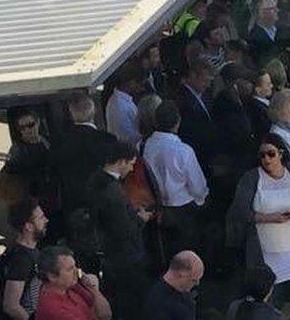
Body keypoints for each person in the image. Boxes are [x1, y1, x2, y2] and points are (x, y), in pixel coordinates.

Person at [225, 134, 290, 320]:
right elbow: (239, 211)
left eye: (271, 154)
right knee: (268, 310)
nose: (266, 159)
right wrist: (268, 218)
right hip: (267, 257)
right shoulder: (252, 178)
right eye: (262, 155)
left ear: (281, 154)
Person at [86, 142, 152, 320]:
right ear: (121, 161)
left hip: (108, 251)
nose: (131, 169)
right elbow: (124, 229)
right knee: (130, 300)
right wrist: (140, 219)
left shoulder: (95, 179)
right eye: (130, 163)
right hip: (124, 255)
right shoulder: (112, 191)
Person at [143, 101, 209, 261]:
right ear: (177, 122)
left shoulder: (146, 145)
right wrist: (201, 200)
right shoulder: (183, 151)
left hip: (158, 208)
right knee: (188, 256)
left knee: (168, 256)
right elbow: (198, 187)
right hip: (184, 211)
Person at [55, 94, 117, 217]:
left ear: (71, 113)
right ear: (94, 111)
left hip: (74, 205)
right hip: (103, 202)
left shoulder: (59, 142)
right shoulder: (107, 140)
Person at [34, 246, 111, 320]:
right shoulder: (54, 309)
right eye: (70, 269)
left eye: (75, 266)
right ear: (52, 276)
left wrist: (93, 289)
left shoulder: (71, 286)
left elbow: (105, 315)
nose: (77, 271)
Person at [2, 199, 47, 320]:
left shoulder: (30, 251)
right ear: (28, 227)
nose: (46, 220)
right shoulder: (21, 260)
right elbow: (11, 306)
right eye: (41, 218)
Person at [173, 59, 216, 167]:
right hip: (192, 154)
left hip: (206, 154)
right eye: (205, 81)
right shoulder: (181, 99)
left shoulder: (206, 96)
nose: (207, 85)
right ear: (193, 75)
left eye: (210, 81)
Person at [143, 251, 204, 320]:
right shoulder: (159, 303)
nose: (197, 283)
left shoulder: (182, 294)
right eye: (194, 280)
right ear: (182, 273)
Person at [106, 63, 146, 147]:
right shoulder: (120, 106)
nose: (141, 88)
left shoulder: (120, 100)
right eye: (140, 84)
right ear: (131, 82)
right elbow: (127, 137)